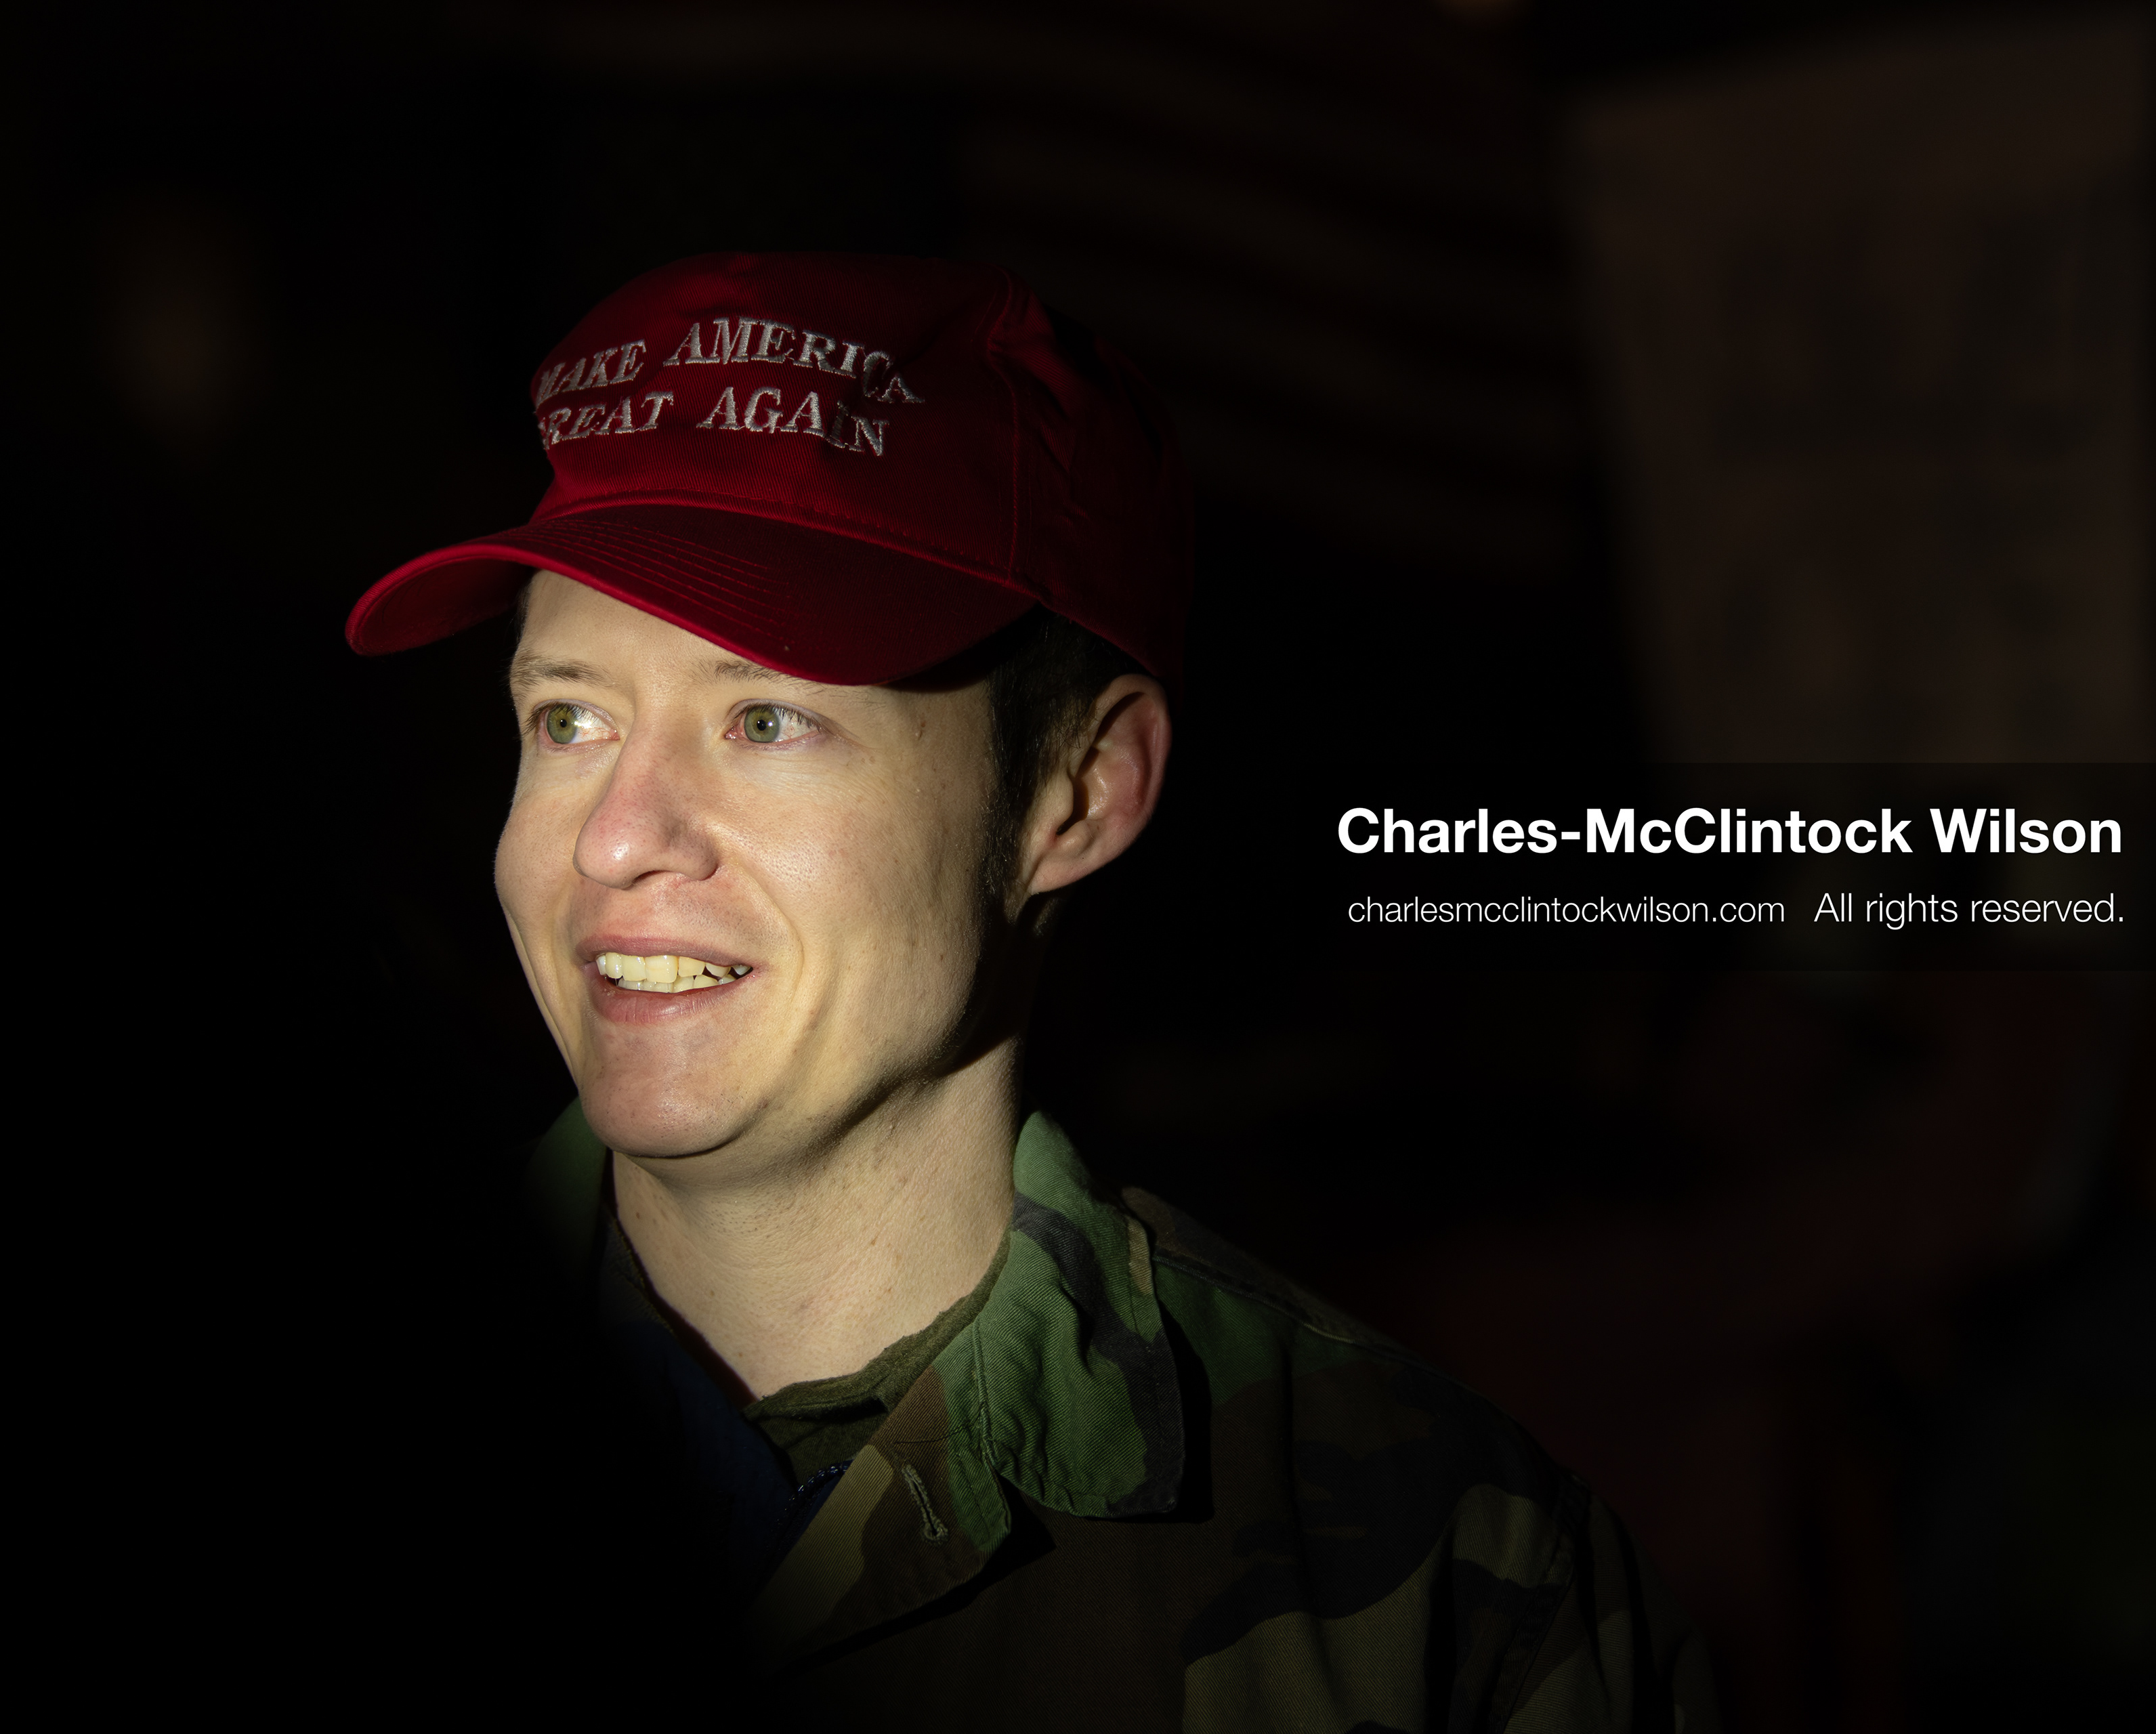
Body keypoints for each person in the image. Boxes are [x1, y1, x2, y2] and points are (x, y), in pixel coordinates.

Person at [347, 252, 1716, 1730]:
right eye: (568, 717)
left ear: (1078, 793)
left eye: (765, 718)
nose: (614, 835)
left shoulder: (1451, 1574)